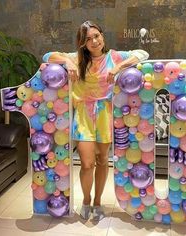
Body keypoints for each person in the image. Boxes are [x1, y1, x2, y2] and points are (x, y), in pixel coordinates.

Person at [43, 20, 149, 221]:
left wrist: (118, 67)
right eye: (88, 39)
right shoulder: (77, 59)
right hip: (83, 115)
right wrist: (68, 62)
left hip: (105, 115)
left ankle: (98, 201)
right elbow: (47, 56)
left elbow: (143, 54)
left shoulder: (114, 56)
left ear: (102, 36)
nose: (94, 41)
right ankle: (86, 199)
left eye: (96, 36)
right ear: (82, 43)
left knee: (102, 160)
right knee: (86, 162)